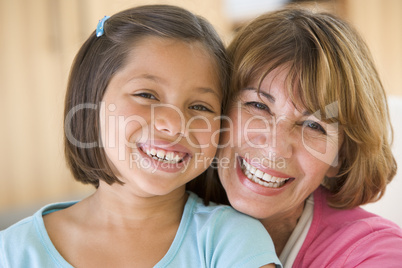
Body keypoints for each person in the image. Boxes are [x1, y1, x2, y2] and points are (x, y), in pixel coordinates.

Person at [0, 5, 281, 268]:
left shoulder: (231, 241)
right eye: (146, 95)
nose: (174, 125)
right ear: (92, 100)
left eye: (199, 107)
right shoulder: (14, 250)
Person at [193, 6, 402, 267]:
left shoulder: (375, 253)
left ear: (340, 157)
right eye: (258, 106)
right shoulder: (157, 212)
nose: (275, 148)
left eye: (314, 126)